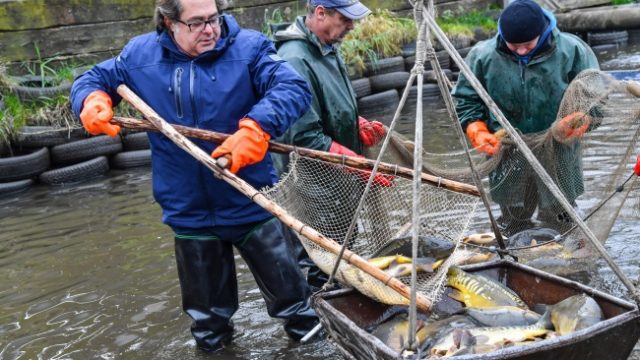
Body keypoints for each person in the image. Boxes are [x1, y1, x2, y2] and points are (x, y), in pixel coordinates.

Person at [70, 0, 318, 352]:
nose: (211, 29)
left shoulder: (250, 48)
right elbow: (94, 78)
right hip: (189, 215)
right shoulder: (139, 55)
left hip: (252, 202)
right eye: (197, 22)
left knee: (298, 310)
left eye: (214, 19)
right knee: (208, 327)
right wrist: (90, 99)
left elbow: (293, 88)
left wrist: (257, 128)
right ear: (170, 23)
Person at [451, 0, 599, 235]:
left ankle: (569, 267)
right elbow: (466, 100)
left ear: (543, 32)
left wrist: (581, 120)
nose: (520, 51)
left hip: (558, 151)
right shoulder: (482, 56)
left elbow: (596, 100)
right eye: (514, 45)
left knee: (561, 219)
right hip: (507, 152)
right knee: (512, 222)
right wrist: (476, 128)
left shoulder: (573, 51)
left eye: (527, 45)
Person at [271, 0, 389, 290]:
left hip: (336, 180)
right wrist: (357, 165)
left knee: (342, 247)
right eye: (345, 18)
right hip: (311, 183)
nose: (351, 25)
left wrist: (355, 122)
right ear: (320, 12)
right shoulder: (296, 59)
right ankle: (325, 319)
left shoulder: (326, 47)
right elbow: (304, 136)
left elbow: (328, 107)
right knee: (320, 258)